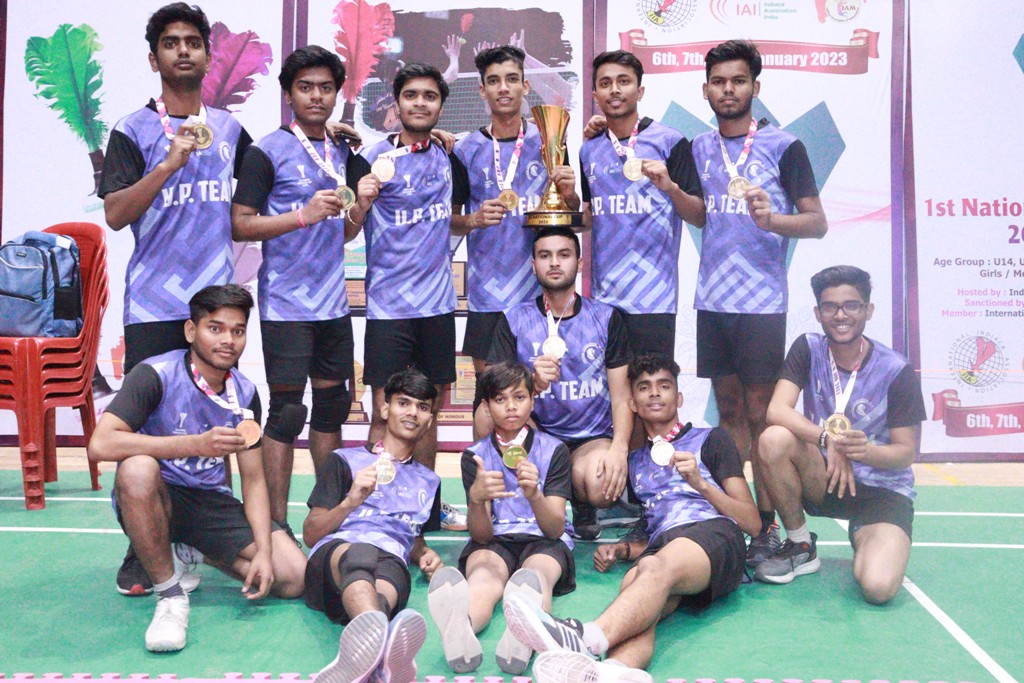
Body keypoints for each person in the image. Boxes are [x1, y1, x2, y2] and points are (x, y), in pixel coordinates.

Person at [98, 2, 254, 596]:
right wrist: (167, 164)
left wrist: (336, 141)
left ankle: (211, 532)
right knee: (143, 432)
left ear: (208, 56)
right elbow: (116, 214)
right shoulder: (132, 130)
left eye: (193, 41)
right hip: (153, 306)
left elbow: (268, 186)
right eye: (171, 42)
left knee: (217, 420)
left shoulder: (231, 130)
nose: (183, 50)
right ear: (154, 58)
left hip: (215, 309)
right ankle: (143, 548)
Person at [501, 353, 759, 682]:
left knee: (653, 569)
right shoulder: (634, 462)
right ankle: (612, 672)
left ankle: (584, 638)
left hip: (715, 534)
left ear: (679, 397)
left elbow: (752, 522)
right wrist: (624, 550)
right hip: (665, 549)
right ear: (633, 403)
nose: (655, 393)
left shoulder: (712, 439)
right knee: (636, 596)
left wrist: (701, 485)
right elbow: (654, 526)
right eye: (644, 387)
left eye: (664, 386)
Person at [86, 285, 307, 653]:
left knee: (294, 578)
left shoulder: (244, 392)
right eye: (215, 328)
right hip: (157, 495)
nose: (228, 340)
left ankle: (190, 550)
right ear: (191, 331)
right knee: (137, 469)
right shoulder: (154, 374)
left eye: (238, 331)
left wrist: (264, 551)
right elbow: (100, 444)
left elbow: (254, 482)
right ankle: (170, 596)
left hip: (210, 502)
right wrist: (193, 444)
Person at [690, 39, 828, 565]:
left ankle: (771, 525)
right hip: (712, 300)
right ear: (706, 90)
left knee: (761, 416)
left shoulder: (784, 146)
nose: (728, 89)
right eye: (719, 81)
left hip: (762, 303)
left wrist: (773, 220)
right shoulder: (698, 148)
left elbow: (816, 222)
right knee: (728, 412)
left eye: (738, 81)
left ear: (755, 87)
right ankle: (741, 515)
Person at [232, 45, 369, 543]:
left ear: (337, 94)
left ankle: (325, 516)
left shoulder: (343, 152)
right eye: (305, 87)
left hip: (333, 304)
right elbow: (240, 224)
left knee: (332, 407)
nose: (316, 96)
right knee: (288, 413)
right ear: (288, 94)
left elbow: (346, 232)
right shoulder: (266, 151)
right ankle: (276, 524)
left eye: (326, 88)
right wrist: (301, 215)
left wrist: (358, 210)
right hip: (286, 305)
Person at [346, 61, 469, 531]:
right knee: (385, 414)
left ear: (441, 105)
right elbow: (347, 231)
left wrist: (473, 222)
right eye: (411, 95)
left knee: (427, 414)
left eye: (430, 96)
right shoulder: (371, 159)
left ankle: (426, 509)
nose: (420, 103)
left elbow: (450, 217)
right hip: (388, 310)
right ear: (396, 103)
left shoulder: (448, 157)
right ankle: (375, 507)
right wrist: (362, 202)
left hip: (437, 307)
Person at [754, 266, 924, 604]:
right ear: (818, 313)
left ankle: (866, 533)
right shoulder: (808, 348)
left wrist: (864, 451)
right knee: (773, 438)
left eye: (851, 305)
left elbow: (906, 452)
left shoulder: (896, 369)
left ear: (868, 310)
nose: (841, 315)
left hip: (881, 492)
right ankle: (801, 544)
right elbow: (777, 409)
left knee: (877, 588)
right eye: (830, 306)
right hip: (825, 476)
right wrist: (826, 439)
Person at [450, 45, 580, 439]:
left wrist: (570, 194)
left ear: (525, 86)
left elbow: (570, 214)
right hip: (487, 298)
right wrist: (473, 219)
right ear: (482, 91)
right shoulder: (465, 150)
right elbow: (449, 222)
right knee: (490, 401)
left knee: (541, 397)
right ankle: (485, 477)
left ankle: (544, 473)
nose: (503, 88)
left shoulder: (549, 138)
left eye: (511, 79)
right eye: (493, 81)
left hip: (539, 297)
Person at [428, 362, 575, 675]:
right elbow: (481, 536)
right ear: (486, 406)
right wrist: (476, 499)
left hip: (543, 540)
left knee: (537, 577)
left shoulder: (554, 451)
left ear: (532, 401)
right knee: (483, 580)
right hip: (494, 540)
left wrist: (534, 495)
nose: (510, 406)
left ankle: (522, 634)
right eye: (500, 399)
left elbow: (554, 529)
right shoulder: (475, 456)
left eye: (519, 397)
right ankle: (461, 628)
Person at [486, 227, 632, 540]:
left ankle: (582, 501)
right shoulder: (514, 319)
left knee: (600, 484)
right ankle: (511, 507)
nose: (554, 262)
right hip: (535, 434)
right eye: (545, 255)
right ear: (533, 265)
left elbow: (622, 398)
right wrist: (533, 383)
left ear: (579, 263)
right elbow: (495, 397)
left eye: (564, 255)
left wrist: (620, 449)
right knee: (483, 419)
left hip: (590, 439)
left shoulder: (606, 317)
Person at [302, 369, 444, 683]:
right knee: (362, 554)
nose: (412, 413)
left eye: (422, 407)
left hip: (390, 560)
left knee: (390, 577)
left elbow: (414, 538)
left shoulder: (430, 481)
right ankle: (381, 646)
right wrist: (350, 502)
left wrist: (425, 554)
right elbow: (311, 533)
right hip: (333, 564)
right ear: (384, 409)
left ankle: (368, 657)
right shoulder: (344, 461)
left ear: (429, 420)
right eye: (403, 403)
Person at [578, 50, 705, 357]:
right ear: (595, 95)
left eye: (624, 81)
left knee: (653, 386)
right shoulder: (588, 150)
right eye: (605, 83)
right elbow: (590, 217)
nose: (615, 90)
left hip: (654, 298)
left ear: (640, 90)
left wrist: (671, 188)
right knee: (610, 386)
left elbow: (699, 216)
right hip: (604, 301)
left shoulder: (670, 141)